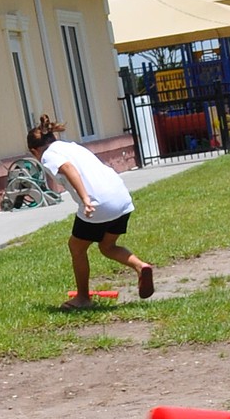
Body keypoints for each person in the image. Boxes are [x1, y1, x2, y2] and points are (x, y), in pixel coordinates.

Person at [26, 115, 154, 310]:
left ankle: (83, 298)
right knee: (107, 246)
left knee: (76, 247)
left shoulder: (48, 155)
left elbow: (68, 168)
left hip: (97, 203)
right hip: (121, 197)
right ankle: (141, 266)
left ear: (34, 150)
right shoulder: (71, 146)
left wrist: (85, 198)